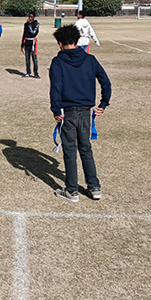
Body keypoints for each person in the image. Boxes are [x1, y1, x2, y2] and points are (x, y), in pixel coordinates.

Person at [49, 24, 111, 202]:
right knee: (86, 149)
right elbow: (105, 82)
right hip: (86, 112)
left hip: (68, 112)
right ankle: (94, 187)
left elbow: (55, 88)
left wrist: (55, 109)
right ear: (77, 41)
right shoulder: (90, 60)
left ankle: (72, 191)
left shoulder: (58, 62)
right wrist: (103, 103)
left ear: (60, 43)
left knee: (69, 150)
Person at [20, 11, 40, 78]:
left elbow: (33, 33)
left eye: (31, 17)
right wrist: (22, 45)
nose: (30, 18)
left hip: (33, 43)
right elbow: (24, 34)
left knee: (34, 58)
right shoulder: (26, 24)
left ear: (34, 17)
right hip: (27, 42)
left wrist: (29, 25)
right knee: (27, 58)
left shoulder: (36, 24)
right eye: (29, 16)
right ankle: (28, 72)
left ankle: (36, 73)